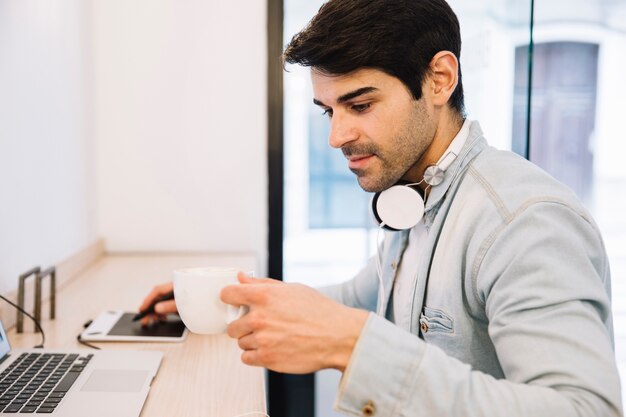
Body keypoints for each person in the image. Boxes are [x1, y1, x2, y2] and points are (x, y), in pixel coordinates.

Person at [139, 0, 623, 415]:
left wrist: (352, 345)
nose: (336, 137)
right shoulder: (413, 192)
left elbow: (584, 408)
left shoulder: (524, 223)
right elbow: (360, 297)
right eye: (330, 111)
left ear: (439, 79)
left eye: (361, 105)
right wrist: (230, 301)